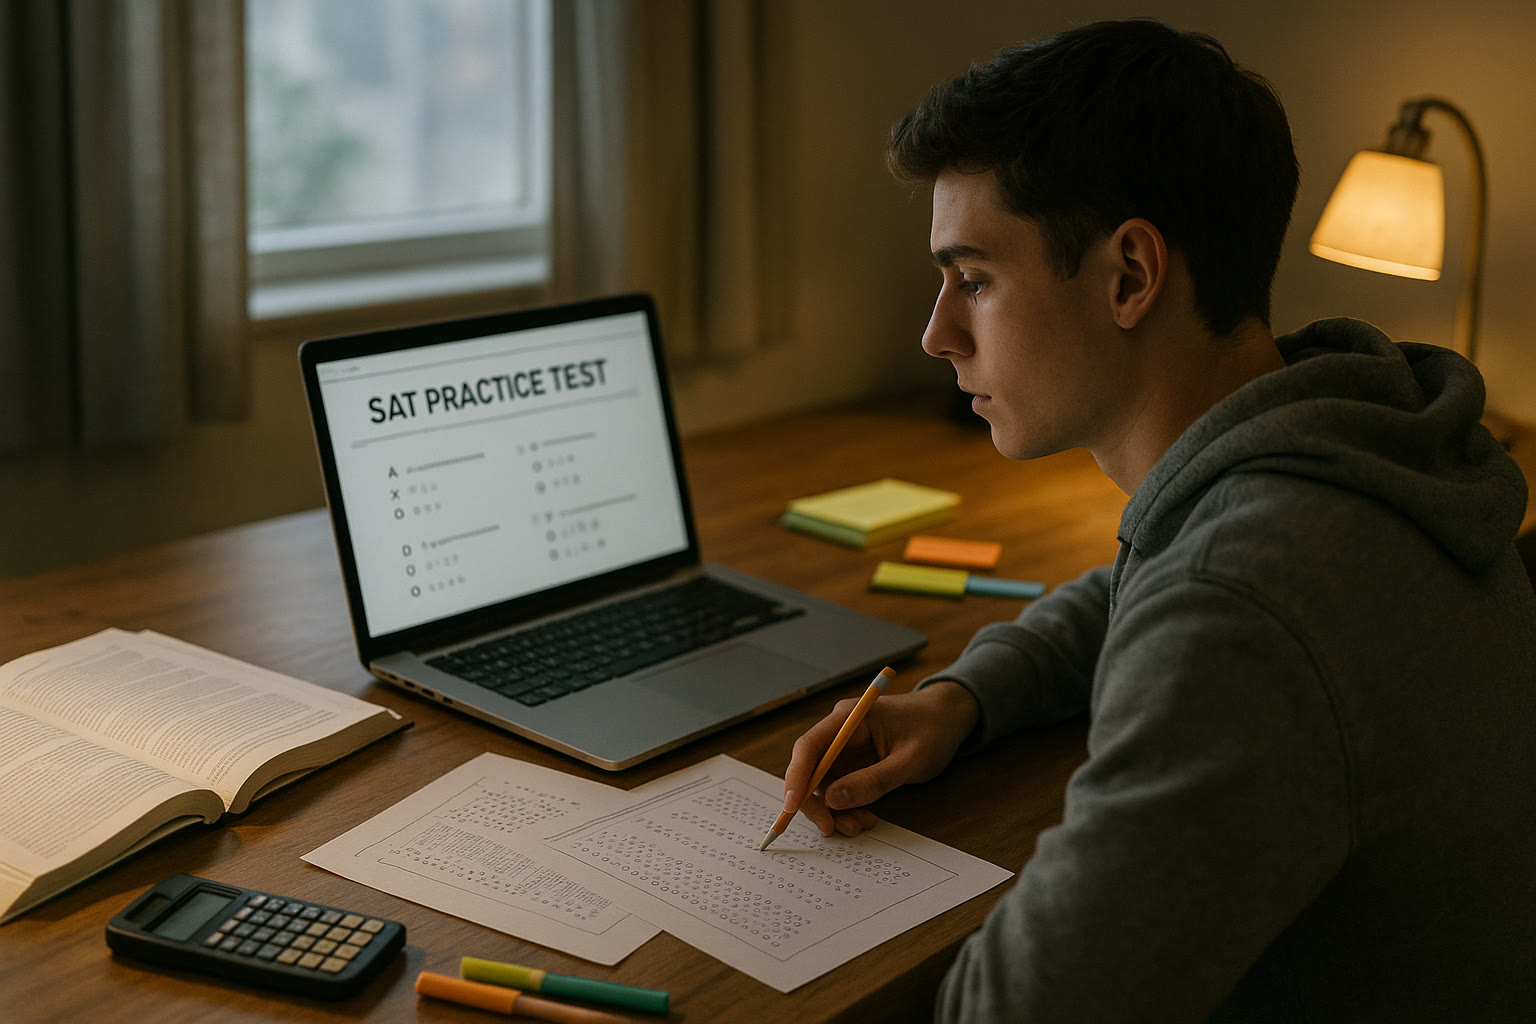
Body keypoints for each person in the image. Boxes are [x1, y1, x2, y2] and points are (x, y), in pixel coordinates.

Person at [781, 19, 1536, 1022]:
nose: (936, 333)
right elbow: (1138, 586)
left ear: (1131, 276)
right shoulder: (1353, 449)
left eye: (975, 280)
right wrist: (966, 697)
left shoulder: (1244, 603)